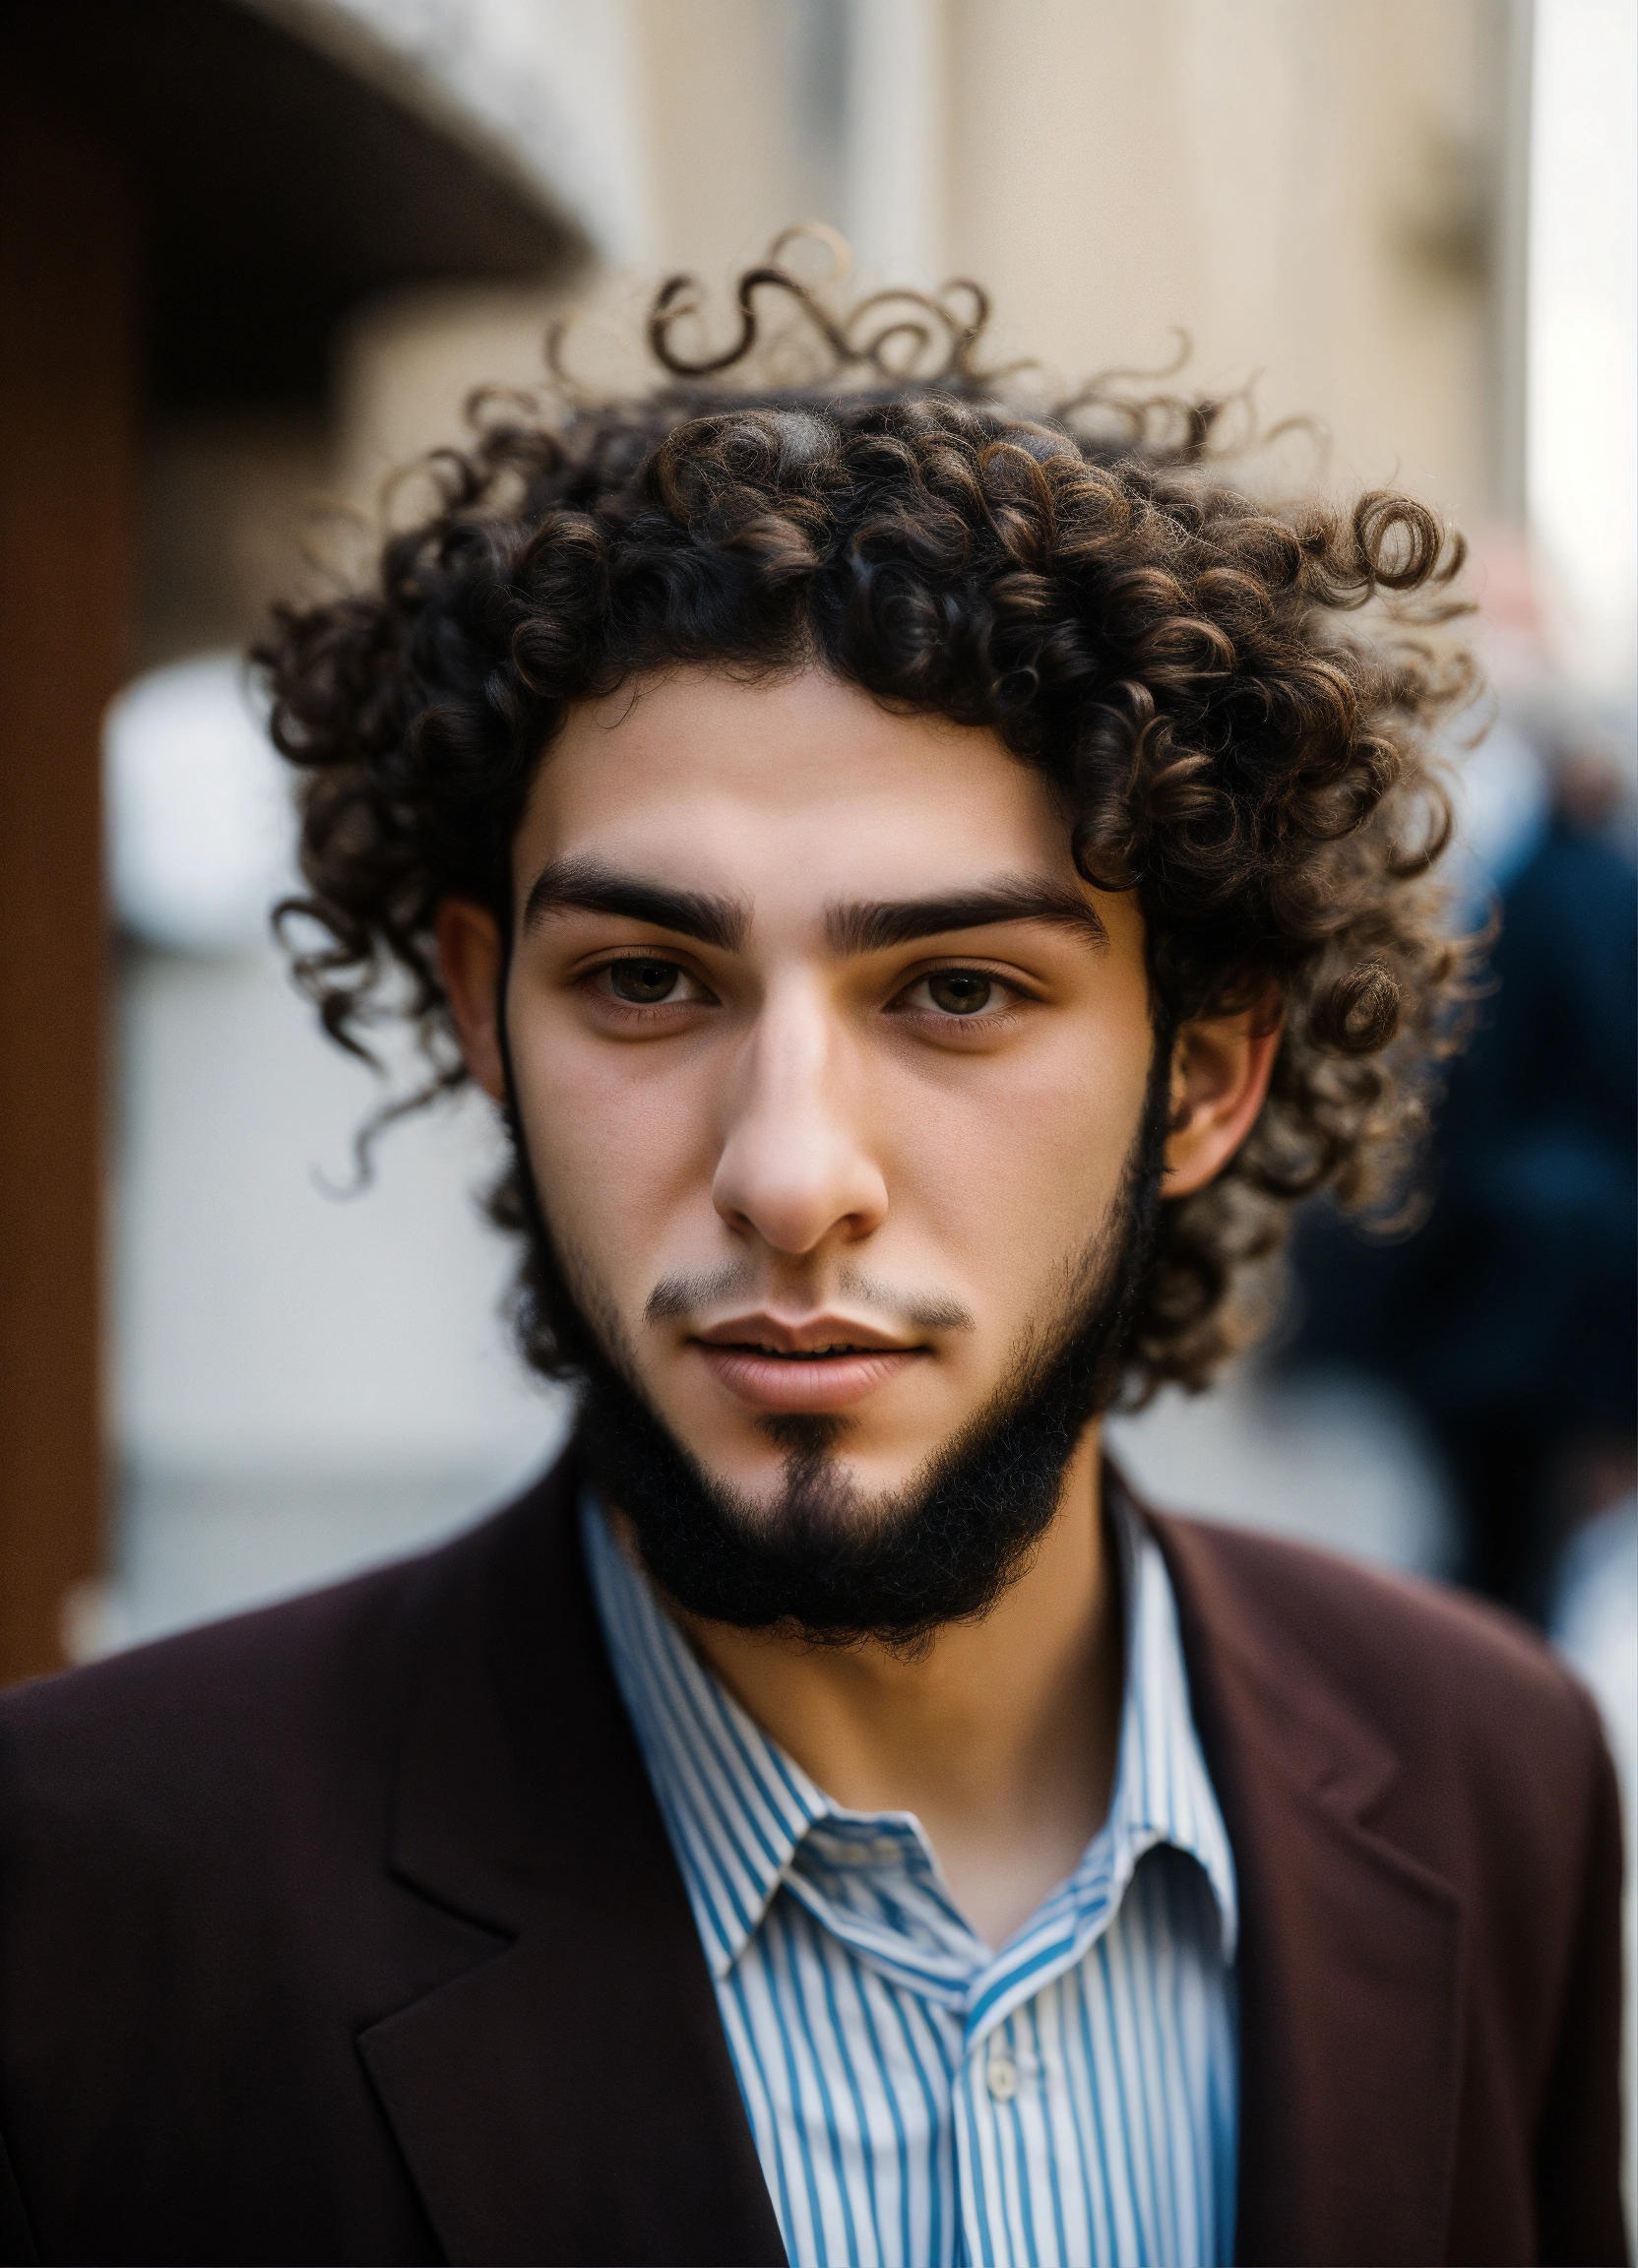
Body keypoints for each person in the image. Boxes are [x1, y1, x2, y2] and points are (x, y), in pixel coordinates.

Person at [0, 249, 1624, 2268]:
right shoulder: (85, 1883)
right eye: (647, 981)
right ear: (484, 1008)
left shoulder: (1497, 1774)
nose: (787, 1172)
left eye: (952, 989)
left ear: (1202, 1078)